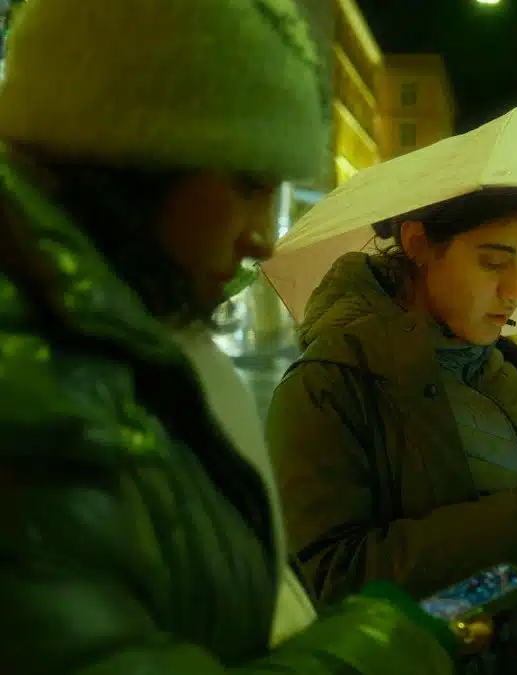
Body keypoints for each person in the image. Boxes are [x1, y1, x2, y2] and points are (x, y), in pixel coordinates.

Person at [0, 1, 459, 673]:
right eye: (248, 185)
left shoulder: (136, 346)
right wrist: (386, 646)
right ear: (133, 161)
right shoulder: (33, 405)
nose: (263, 238)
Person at [266, 187, 517, 675]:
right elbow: (328, 582)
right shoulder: (330, 385)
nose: (515, 290)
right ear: (418, 243)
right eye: (493, 263)